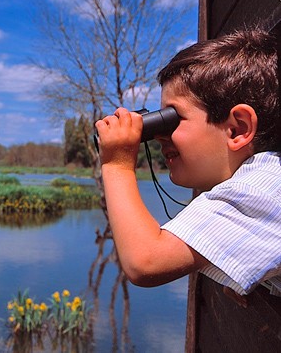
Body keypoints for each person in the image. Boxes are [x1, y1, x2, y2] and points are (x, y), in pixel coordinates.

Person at [94, 28, 281, 296]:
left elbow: (145, 261)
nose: (159, 136)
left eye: (173, 118)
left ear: (237, 129)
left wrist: (116, 164)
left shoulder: (260, 189)